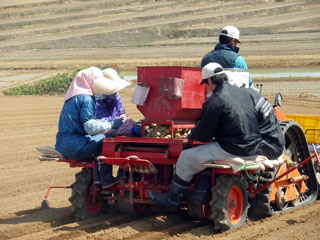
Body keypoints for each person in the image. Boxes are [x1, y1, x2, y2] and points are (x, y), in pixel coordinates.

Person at [149, 62, 285, 212]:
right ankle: (199, 194)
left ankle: (172, 200)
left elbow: (203, 135)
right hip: (254, 146)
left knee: (186, 157)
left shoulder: (214, 101)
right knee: (207, 154)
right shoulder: (244, 94)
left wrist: (191, 134)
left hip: (234, 149)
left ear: (209, 81)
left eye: (205, 84)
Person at [55, 67, 131, 189]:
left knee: (99, 139)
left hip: (62, 144)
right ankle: (106, 179)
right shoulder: (86, 99)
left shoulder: (72, 97)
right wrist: (113, 124)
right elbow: (90, 127)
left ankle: (97, 179)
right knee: (107, 138)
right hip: (77, 145)